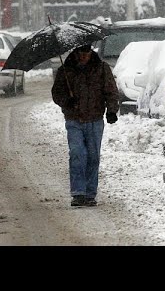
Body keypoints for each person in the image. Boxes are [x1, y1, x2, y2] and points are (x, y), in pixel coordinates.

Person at [51, 44, 119, 207]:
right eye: (81, 53)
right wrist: (67, 100)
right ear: (76, 53)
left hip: (95, 119)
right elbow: (56, 93)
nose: (83, 56)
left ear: (91, 52)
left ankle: (90, 193)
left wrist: (112, 110)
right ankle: (78, 193)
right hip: (74, 119)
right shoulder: (65, 70)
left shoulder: (101, 68)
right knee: (77, 154)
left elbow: (111, 91)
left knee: (93, 156)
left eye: (86, 53)